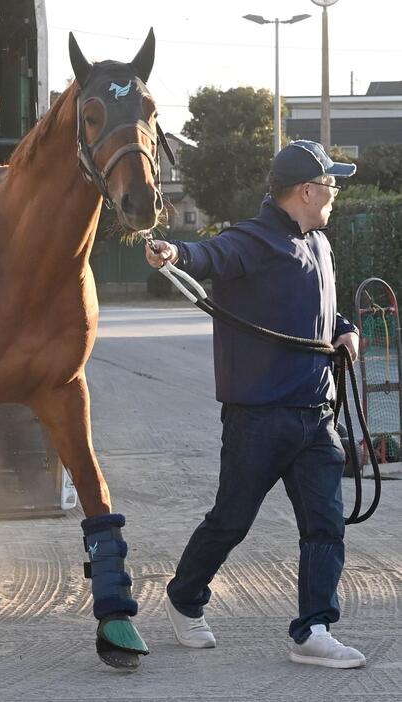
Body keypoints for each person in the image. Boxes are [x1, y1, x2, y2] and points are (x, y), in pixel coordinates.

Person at [145, 140, 365, 669]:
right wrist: (175, 253)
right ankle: (184, 598)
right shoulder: (252, 239)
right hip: (259, 417)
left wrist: (345, 331)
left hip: (317, 414)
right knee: (231, 520)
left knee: (325, 525)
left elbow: (322, 308)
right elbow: (208, 254)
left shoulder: (320, 243)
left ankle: (313, 629)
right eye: (331, 183)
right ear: (306, 191)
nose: (335, 192)